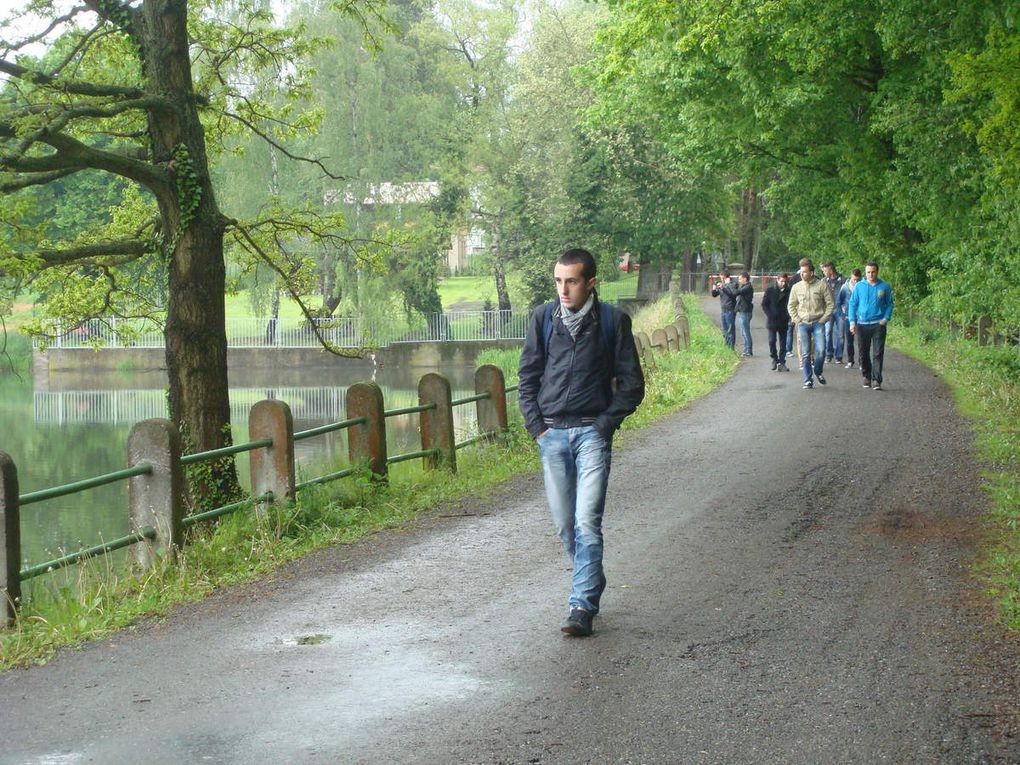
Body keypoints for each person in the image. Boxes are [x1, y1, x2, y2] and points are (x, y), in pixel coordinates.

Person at [518, 248, 645, 637]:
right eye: (558, 281)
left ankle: (581, 606)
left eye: (571, 281)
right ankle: (590, 579)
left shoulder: (612, 322)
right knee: (564, 526)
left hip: (591, 434)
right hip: (551, 435)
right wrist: (536, 426)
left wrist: (605, 425)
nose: (563, 289)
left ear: (590, 282)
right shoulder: (542, 319)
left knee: (587, 521)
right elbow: (527, 377)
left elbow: (632, 385)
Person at [787, 257, 834, 389]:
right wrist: (797, 320)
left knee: (821, 350)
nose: (802, 274)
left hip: (818, 322)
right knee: (806, 353)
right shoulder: (796, 287)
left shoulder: (822, 285)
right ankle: (808, 379)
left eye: (805, 272)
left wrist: (824, 319)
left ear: (812, 272)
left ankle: (818, 371)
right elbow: (791, 305)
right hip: (803, 323)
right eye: (801, 272)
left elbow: (830, 304)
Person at [848, 261, 894, 390]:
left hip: (878, 324)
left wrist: (886, 318)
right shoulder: (859, 286)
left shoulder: (884, 286)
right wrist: (852, 322)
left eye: (873, 272)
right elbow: (852, 304)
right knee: (863, 352)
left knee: (878, 352)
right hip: (862, 324)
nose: (871, 274)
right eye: (868, 272)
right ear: (865, 273)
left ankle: (876, 380)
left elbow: (890, 304)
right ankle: (867, 376)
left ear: (877, 272)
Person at [761, 273, 791, 371]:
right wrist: (770, 314)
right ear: (777, 280)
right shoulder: (770, 290)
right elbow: (764, 304)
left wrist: (788, 316)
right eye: (781, 281)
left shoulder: (789, 291)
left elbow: (792, 304)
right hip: (772, 320)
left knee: (783, 343)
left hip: (783, 320)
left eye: (785, 281)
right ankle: (774, 358)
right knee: (771, 341)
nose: (783, 283)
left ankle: (782, 362)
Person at [821, 262, 846, 363]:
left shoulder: (843, 280)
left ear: (831, 270)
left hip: (840, 310)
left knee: (840, 334)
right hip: (828, 310)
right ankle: (829, 354)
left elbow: (847, 294)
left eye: (825, 271)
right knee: (827, 332)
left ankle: (838, 356)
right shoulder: (823, 281)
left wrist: (845, 305)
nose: (823, 272)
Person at [837, 268, 861, 368]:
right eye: (854, 279)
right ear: (851, 276)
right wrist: (842, 316)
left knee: (861, 341)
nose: (855, 282)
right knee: (849, 341)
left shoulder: (863, 286)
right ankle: (850, 361)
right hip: (848, 317)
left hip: (860, 318)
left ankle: (861, 362)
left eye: (857, 280)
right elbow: (838, 302)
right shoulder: (845, 287)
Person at [711, 271, 737, 350]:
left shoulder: (733, 284)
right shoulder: (722, 284)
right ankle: (727, 345)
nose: (721, 279)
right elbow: (715, 295)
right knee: (724, 329)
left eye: (723, 277)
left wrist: (724, 287)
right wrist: (714, 289)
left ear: (727, 277)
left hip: (730, 309)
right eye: (720, 277)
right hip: (723, 309)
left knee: (730, 329)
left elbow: (732, 294)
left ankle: (731, 347)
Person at [734, 271, 754, 356]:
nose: (739, 280)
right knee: (743, 331)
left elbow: (736, 292)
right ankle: (746, 349)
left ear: (745, 278)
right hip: (742, 311)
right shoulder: (743, 286)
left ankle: (748, 349)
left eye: (740, 279)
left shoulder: (748, 287)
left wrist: (729, 286)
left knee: (746, 331)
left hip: (745, 311)